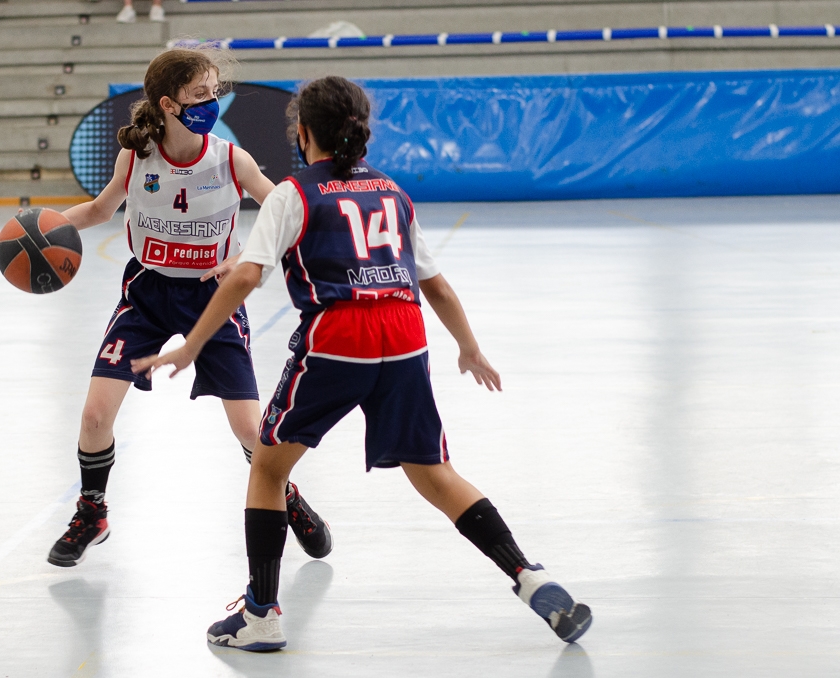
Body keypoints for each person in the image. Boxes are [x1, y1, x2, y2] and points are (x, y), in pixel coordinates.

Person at [131, 76, 594, 652]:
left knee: (268, 469)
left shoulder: (293, 194)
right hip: (405, 335)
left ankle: (261, 615)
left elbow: (247, 275)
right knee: (434, 473)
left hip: (339, 334)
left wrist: (192, 344)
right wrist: (469, 347)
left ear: (303, 134)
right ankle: (530, 576)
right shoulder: (393, 193)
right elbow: (436, 286)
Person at [43, 48, 332, 569]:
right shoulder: (136, 157)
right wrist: (40, 229)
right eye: (200, 94)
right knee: (94, 414)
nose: (211, 102)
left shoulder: (231, 159)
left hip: (213, 299)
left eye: (214, 92)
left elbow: (287, 212)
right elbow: (101, 210)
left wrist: (246, 255)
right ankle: (92, 511)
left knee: (250, 431)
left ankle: (285, 493)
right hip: (147, 295)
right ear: (168, 104)